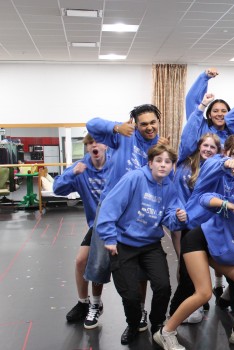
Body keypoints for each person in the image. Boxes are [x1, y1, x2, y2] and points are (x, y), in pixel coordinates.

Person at [154, 181, 234, 350]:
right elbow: (204, 199)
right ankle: (165, 332)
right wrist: (227, 204)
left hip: (219, 253)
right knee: (204, 293)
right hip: (199, 242)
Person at [85, 104, 169, 336]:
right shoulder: (124, 136)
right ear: (135, 124)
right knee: (100, 260)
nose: (149, 127)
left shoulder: (160, 145)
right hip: (112, 207)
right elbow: (91, 123)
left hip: (139, 211)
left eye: (153, 122)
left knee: (139, 266)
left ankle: (140, 311)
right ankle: (94, 304)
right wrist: (115, 127)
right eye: (144, 123)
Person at [97, 144, 188, 345]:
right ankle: (133, 324)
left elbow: (170, 216)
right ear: (150, 163)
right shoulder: (134, 178)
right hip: (124, 243)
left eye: (168, 162)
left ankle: (157, 325)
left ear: (172, 166)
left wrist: (178, 216)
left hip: (150, 244)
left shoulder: (169, 187)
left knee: (163, 286)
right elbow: (109, 207)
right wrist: (110, 238)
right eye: (159, 161)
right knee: (130, 295)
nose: (163, 165)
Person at [169, 135, 234, 323]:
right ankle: (172, 316)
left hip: (215, 232)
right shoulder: (212, 164)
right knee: (189, 279)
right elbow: (214, 165)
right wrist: (225, 163)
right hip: (194, 230)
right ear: (225, 153)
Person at [54, 134, 110, 328]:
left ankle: (98, 303)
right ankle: (84, 303)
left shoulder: (115, 166)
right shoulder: (81, 167)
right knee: (81, 261)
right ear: (87, 147)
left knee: (104, 264)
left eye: (97, 142)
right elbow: (57, 189)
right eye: (89, 143)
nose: (94, 145)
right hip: (96, 226)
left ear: (106, 146)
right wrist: (72, 174)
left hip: (118, 224)